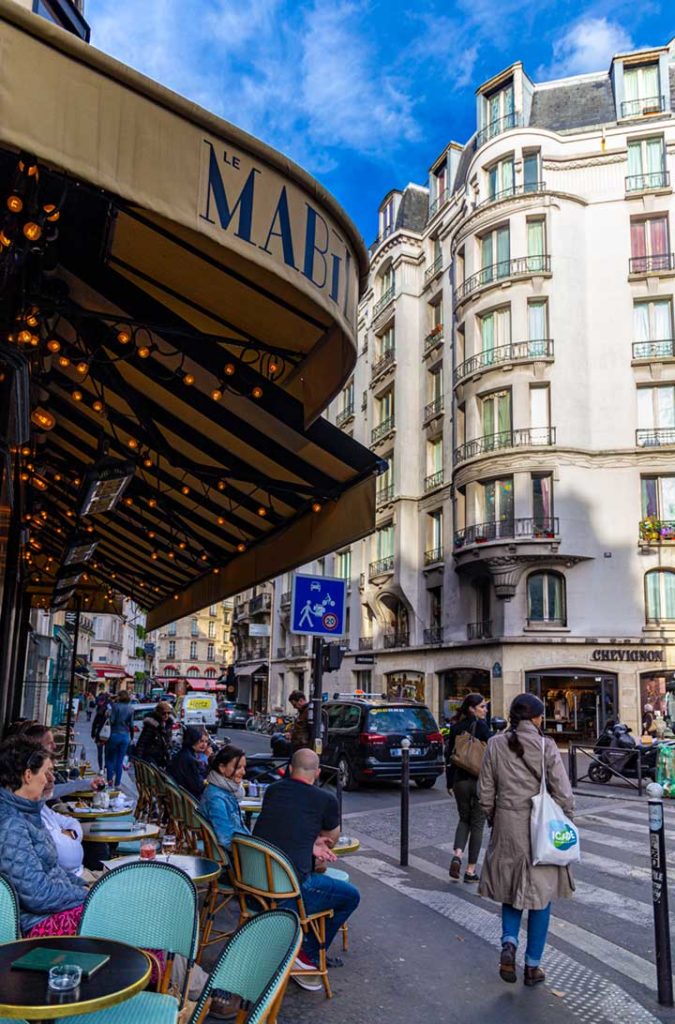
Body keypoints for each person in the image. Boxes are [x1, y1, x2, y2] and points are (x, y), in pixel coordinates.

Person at [478, 693, 575, 987]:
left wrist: (496, 816)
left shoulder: (495, 744)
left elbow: (485, 791)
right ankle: (533, 966)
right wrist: (566, 817)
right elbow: (563, 790)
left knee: (510, 890)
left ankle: (509, 943)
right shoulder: (546, 746)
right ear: (535, 718)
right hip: (541, 827)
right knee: (540, 897)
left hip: (508, 824)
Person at [254, 748, 360, 988]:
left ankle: (296, 944)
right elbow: (331, 834)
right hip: (289, 890)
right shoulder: (325, 799)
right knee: (351, 896)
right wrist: (317, 842)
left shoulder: (273, 791)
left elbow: (285, 827)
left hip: (256, 883)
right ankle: (307, 953)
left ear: (290, 768)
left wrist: (309, 844)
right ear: (318, 772)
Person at [0, 737, 88, 935]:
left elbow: (53, 868)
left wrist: (84, 887)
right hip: (39, 923)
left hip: (55, 910)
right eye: (46, 771)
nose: (50, 779)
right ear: (28, 775)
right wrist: (84, 895)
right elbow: (37, 893)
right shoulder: (11, 825)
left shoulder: (25, 813)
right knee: (131, 922)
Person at [445, 693, 490, 883]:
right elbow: (492, 756)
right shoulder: (483, 728)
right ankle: (470, 871)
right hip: (480, 781)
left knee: (464, 819)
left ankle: (457, 854)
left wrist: (449, 783)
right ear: (472, 708)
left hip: (460, 781)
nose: (485, 710)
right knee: (477, 824)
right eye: (482, 707)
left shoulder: (455, 728)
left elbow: (449, 756)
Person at [199, 745, 250, 850]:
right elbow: (226, 839)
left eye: (244, 767)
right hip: (239, 857)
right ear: (222, 767)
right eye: (238, 767)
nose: (243, 772)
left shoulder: (221, 792)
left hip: (242, 851)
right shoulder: (216, 799)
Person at [168, 725, 208, 800]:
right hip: (189, 800)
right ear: (194, 741)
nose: (203, 744)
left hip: (178, 797)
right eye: (200, 741)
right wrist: (207, 781)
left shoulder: (181, 754)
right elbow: (199, 786)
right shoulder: (191, 760)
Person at [105, 690, 134, 787]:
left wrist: (108, 715)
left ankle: (109, 780)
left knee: (110, 758)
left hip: (115, 734)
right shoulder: (130, 709)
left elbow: (112, 721)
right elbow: (131, 725)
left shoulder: (115, 706)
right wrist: (132, 737)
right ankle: (117, 783)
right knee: (120, 760)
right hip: (125, 736)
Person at [133, 701, 174, 768]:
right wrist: (138, 759)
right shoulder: (151, 725)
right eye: (164, 713)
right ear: (159, 713)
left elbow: (168, 741)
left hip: (163, 757)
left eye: (168, 713)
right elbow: (142, 742)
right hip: (151, 756)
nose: (166, 715)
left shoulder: (168, 724)